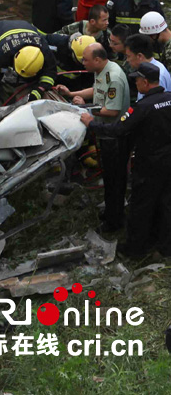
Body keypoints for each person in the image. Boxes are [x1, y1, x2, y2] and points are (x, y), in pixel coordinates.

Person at [81, 62, 171, 257]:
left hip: (149, 164)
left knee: (141, 206)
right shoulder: (169, 99)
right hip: (168, 160)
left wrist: (92, 124)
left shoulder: (142, 107)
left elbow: (118, 130)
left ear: (145, 82)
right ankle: (165, 246)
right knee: (166, 203)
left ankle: (135, 250)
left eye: (137, 81)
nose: (136, 85)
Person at [57, 42, 129, 233]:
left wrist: (86, 113)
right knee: (109, 178)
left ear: (97, 59)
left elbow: (112, 110)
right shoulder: (102, 70)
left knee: (114, 180)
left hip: (114, 137)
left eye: (86, 60)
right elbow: (96, 91)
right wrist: (72, 94)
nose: (83, 63)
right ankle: (111, 211)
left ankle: (114, 222)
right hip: (106, 133)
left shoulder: (114, 77)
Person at [0, 19, 58, 103]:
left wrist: (39, 89)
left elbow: (51, 71)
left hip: (23, 27)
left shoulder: (44, 49)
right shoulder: (1, 53)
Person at [124, 33, 171, 98]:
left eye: (128, 56)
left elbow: (158, 105)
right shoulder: (148, 70)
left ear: (139, 56)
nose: (127, 60)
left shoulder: (157, 76)